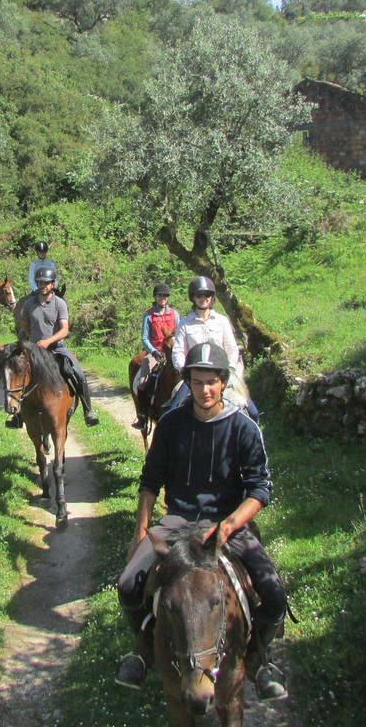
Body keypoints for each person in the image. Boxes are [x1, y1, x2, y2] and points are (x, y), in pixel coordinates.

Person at [114, 342, 288, 699]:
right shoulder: (171, 424)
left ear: (223, 382)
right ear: (188, 382)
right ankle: (145, 647)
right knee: (129, 583)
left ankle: (257, 656)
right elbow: (149, 483)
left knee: (274, 593)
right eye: (197, 382)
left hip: (226, 522)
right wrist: (140, 535)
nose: (204, 389)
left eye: (211, 382)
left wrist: (226, 527)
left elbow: (259, 491)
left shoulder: (243, 428)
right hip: (177, 519)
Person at [11, 265, 99, 428]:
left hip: (58, 348)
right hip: (35, 349)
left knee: (79, 374)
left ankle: (88, 411)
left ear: (52, 284)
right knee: (18, 375)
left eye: (46, 283)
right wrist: (28, 338)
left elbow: (65, 330)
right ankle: (16, 415)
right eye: (40, 282)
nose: (43, 285)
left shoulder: (59, 304)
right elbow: (24, 325)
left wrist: (48, 341)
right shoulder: (30, 304)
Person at [170, 275, 260, 421]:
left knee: (253, 413)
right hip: (196, 374)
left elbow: (231, 349)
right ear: (193, 297)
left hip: (221, 373)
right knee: (173, 409)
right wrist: (184, 369)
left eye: (207, 295)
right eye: (199, 295)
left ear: (212, 298)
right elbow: (178, 351)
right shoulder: (185, 324)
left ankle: (254, 440)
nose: (203, 298)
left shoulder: (222, 321)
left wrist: (228, 369)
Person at [131, 283, 181, 430]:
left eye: (165, 296)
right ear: (155, 297)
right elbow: (145, 338)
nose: (162, 298)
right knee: (142, 382)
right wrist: (154, 351)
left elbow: (179, 334)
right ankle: (142, 416)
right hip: (155, 353)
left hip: (172, 353)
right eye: (160, 295)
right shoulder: (148, 315)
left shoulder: (174, 314)